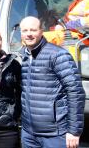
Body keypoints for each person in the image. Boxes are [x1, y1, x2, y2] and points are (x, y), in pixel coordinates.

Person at [20, 16, 85, 148]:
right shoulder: (24, 55)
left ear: (41, 31)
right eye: (25, 30)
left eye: (33, 30)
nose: (29, 34)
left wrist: (74, 130)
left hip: (55, 134)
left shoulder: (58, 55)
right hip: (29, 134)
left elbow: (75, 92)